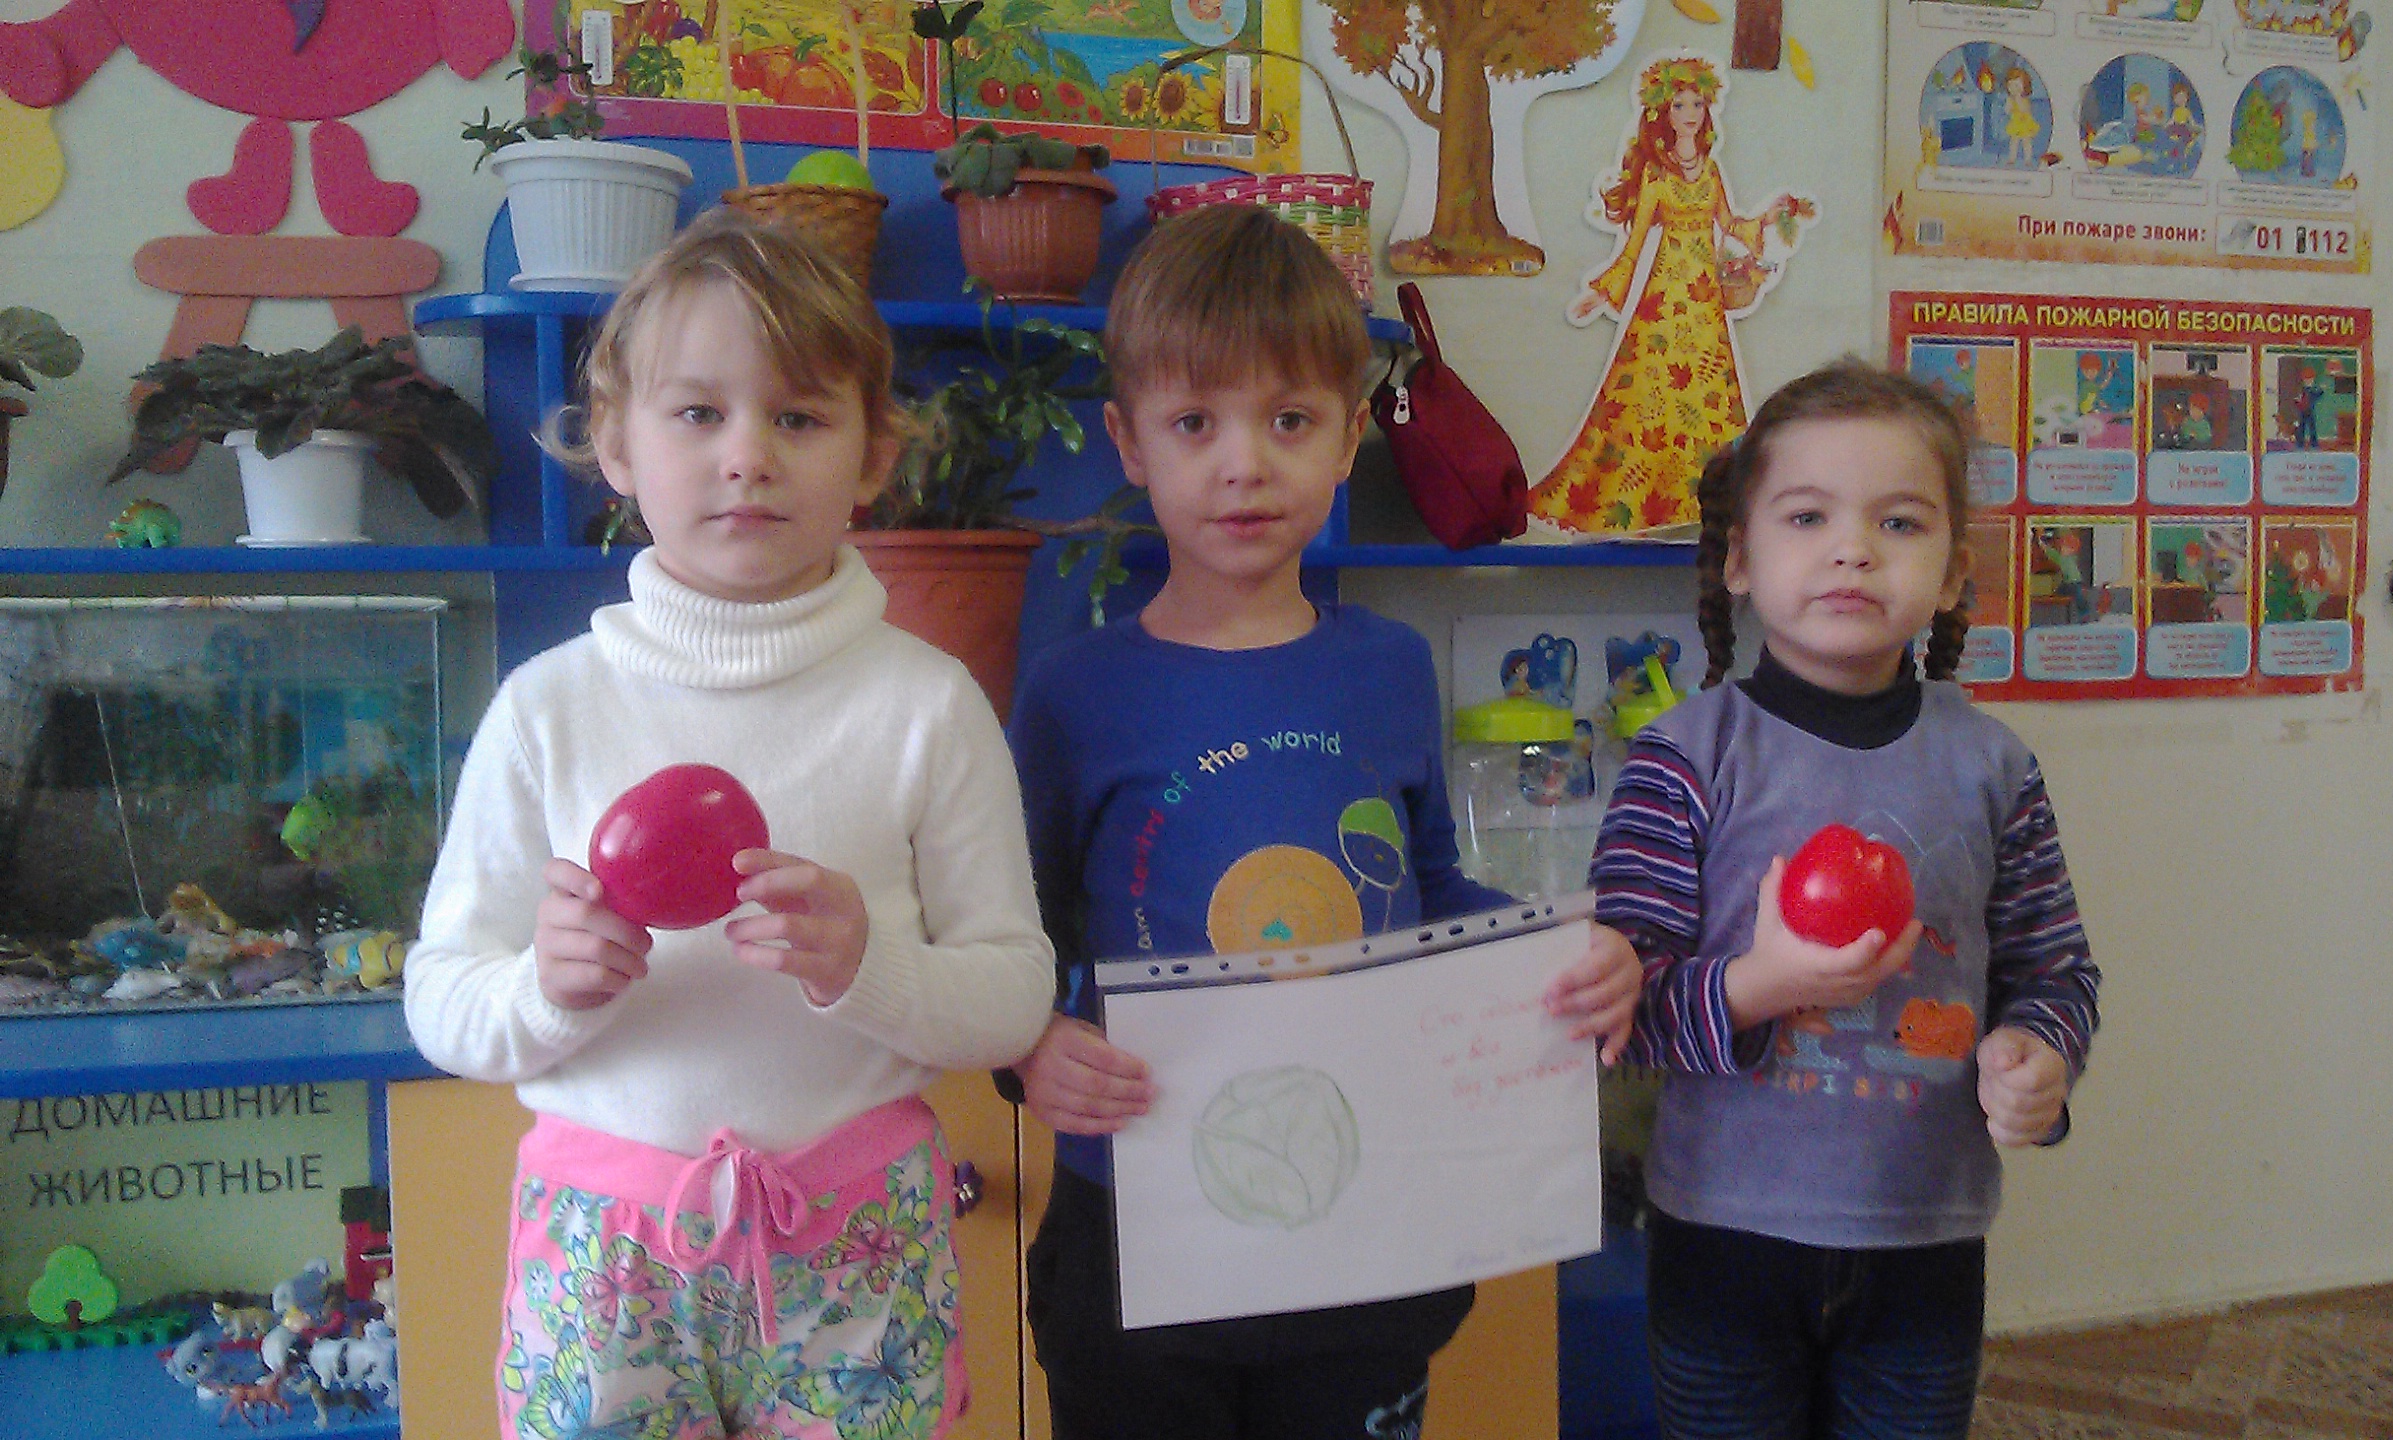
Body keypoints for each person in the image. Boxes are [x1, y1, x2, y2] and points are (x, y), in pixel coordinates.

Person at [402, 209, 1056, 1440]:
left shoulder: (927, 706)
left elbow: (1014, 996)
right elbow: (441, 1001)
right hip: (605, 1252)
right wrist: (543, 989)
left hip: (857, 1240)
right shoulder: (548, 709)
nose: (747, 455)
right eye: (699, 413)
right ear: (615, 445)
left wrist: (869, 968)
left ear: (873, 455)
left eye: (798, 418)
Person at [1003, 202, 1644, 1440]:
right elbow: (1017, 928)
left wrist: (1561, 950)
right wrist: (1029, 1043)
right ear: (1128, 441)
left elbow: (1429, 889)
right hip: (1137, 1221)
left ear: (1351, 436)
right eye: (1195, 423)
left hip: (1362, 1213)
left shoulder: (1386, 668)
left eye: (1289, 420)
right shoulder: (1075, 691)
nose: (1244, 463)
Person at [1590, 359, 2101, 1440]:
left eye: (1899, 522)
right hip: (1720, 1237)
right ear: (1739, 557)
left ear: (1954, 573)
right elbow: (1622, 1011)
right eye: (1807, 516)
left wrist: (2040, 1055)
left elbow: (2053, 971)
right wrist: (1762, 985)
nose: (1853, 548)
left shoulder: (1994, 766)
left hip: (1926, 1240)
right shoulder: (1682, 757)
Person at [1532, 54, 1815, 536]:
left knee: (1707, 395)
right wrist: (1603, 292)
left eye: (1697, 104)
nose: (1690, 113)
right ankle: (1639, 504)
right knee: (1647, 395)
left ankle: (1704, 505)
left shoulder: (1710, 170)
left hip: (1704, 302)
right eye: (1680, 105)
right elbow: (1634, 243)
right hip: (1664, 300)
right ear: (1662, 112)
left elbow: (1731, 226)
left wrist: (1767, 218)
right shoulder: (1656, 176)